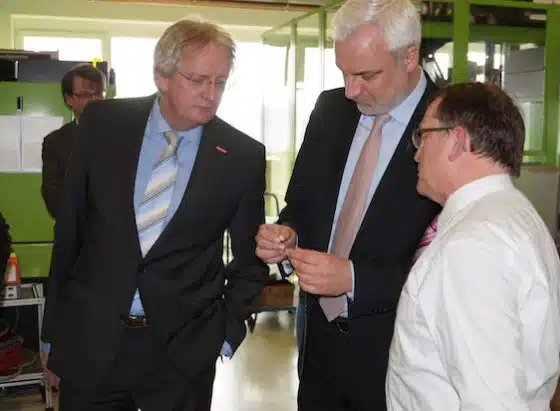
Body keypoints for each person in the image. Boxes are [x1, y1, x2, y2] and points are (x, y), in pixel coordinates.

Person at [40, 18, 268, 411]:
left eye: (220, 82)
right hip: (93, 347)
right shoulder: (104, 125)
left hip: (181, 357)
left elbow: (250, 261)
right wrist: (51, 335)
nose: (210, 94)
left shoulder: (242, 156)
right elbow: (71, 234)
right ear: (161, 75)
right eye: (197, 80)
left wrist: (225, 335)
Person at [255, 0, 441, 409]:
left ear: (409, 56)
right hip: (317, 343)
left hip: (398, 356)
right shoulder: (331, 109)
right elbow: (301, 205)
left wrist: (356, 279)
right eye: (343, 71)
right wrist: (287, 234)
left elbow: (452, 269)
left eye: (366, 74)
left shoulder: (451, 128)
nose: (351, 89)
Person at [386, 82, 560, 410]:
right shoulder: (514, 214)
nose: (416, 152)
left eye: (423, 135)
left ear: (456, 141)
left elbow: (493, 402)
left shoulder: (471, 247)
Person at [41, 63, 106, 219]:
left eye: (98, 93)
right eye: (85, 94)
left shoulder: (122, 135)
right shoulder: (55, 142)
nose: (94, 100)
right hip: (77, 234)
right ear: (69, 99)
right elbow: (54, 198)